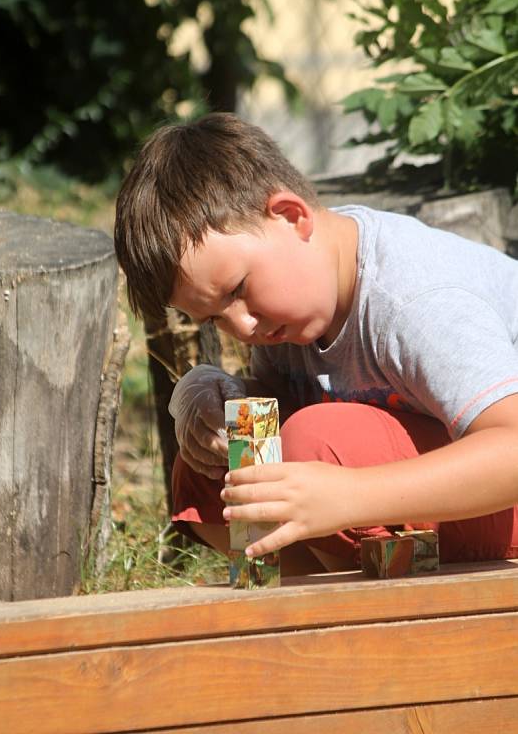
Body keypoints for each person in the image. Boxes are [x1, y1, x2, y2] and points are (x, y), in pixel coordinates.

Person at [114, 112, 518, 576]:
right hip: (443, 489)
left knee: (313, 443)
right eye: (214, 319)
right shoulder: (291, 309)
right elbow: (279, 408)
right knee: (219, 465)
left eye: (238, 290)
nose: (242, 326)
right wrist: (213, 393)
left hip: (500, 484)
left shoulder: (416, 297)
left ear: (291, 216)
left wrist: (349, 497)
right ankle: (307, 617)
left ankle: (351, 624)